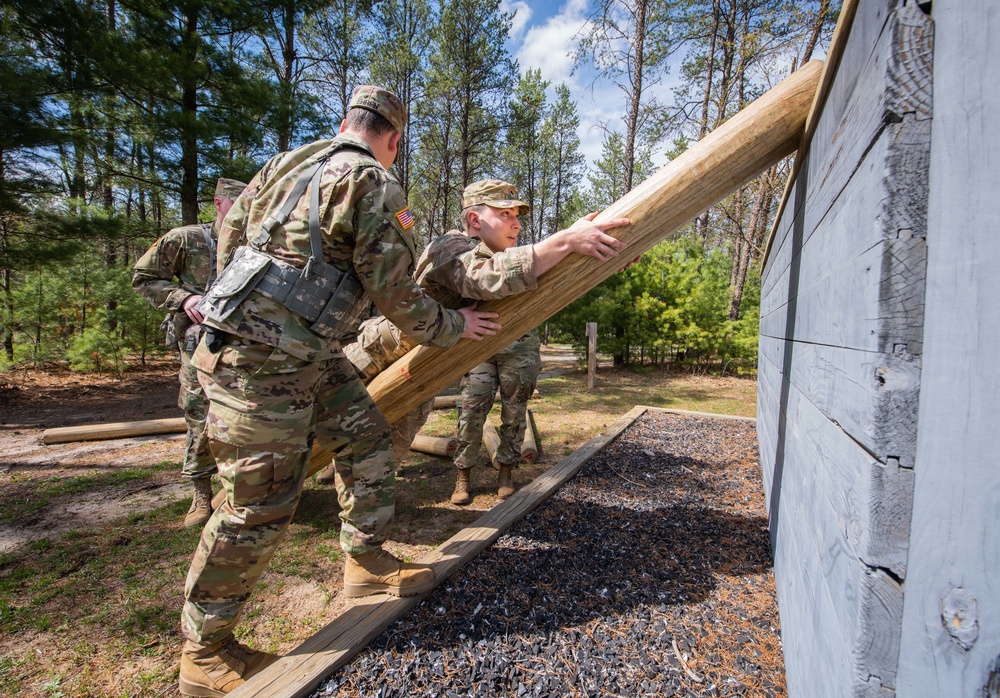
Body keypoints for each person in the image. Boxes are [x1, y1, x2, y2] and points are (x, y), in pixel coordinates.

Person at [177, 86, 500, 697]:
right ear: (394, 139)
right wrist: (457, 326)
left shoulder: (287, 161)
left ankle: (365, 560)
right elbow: (397, 294)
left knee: (368, 436)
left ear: (347, 121)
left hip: (300, 353)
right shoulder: (373, 182)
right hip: (259, 364)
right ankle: (205, 649)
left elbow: (232, 238)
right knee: (256, 506)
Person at [320, 179, 629, 507]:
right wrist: (566, 239)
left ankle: (361, 538)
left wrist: (603, 256)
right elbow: (487, 278)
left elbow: (538, 280)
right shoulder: (450, 247)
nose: (517, 223)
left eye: (517, 215)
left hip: (420, 376)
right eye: (505, 213)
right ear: (474, 221)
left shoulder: (500, 256)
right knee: (303, 431)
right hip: (376, 356)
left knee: (381, 459)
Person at [131, 177, 247, 528]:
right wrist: (185, 299)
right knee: (199, 412)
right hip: (197, 347)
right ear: (218, 203)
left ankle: (242, 491)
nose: (242, 214)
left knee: (245, 419)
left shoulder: (255, 245)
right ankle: (200, 494)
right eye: (236, 205)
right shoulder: (187, 239)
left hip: (243, 347)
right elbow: (143, 277)